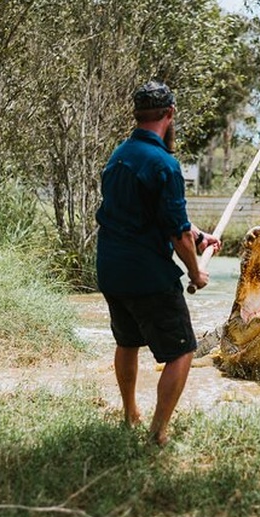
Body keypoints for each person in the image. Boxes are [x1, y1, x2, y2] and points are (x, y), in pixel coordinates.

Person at [95, 80, 221, 446]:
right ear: (170, 115)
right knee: (182, 350)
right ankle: (158, 431)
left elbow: (166, 219)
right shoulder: (165, 164)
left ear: (137, 116)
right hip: (146, 275)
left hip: (111, 271)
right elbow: (175, 233)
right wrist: (196, 272)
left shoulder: (119, 156)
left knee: (128, 341)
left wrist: (200, 237)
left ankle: (129, 413)